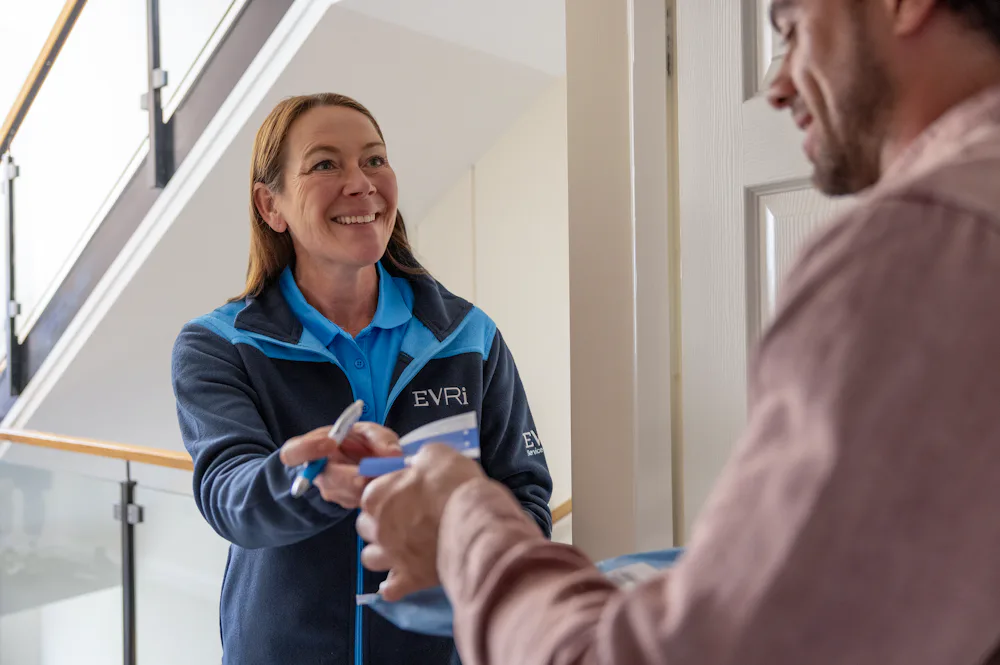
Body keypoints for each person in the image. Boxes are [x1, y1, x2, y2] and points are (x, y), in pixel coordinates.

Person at [349, 1, 1000, 663]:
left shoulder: (922, 249)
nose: (775, 85)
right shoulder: (238, 337)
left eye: (793, 27)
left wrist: (462, 518)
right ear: (271, 205)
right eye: (322, 166)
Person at [170, 92, 553, 665]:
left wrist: (462, 551)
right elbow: (229, 496)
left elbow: (525, 495)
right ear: (269, 206)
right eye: (326, 164)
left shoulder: (468, 337)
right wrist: (302, 480)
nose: (361, 182)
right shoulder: (221, 346)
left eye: (374, 159)